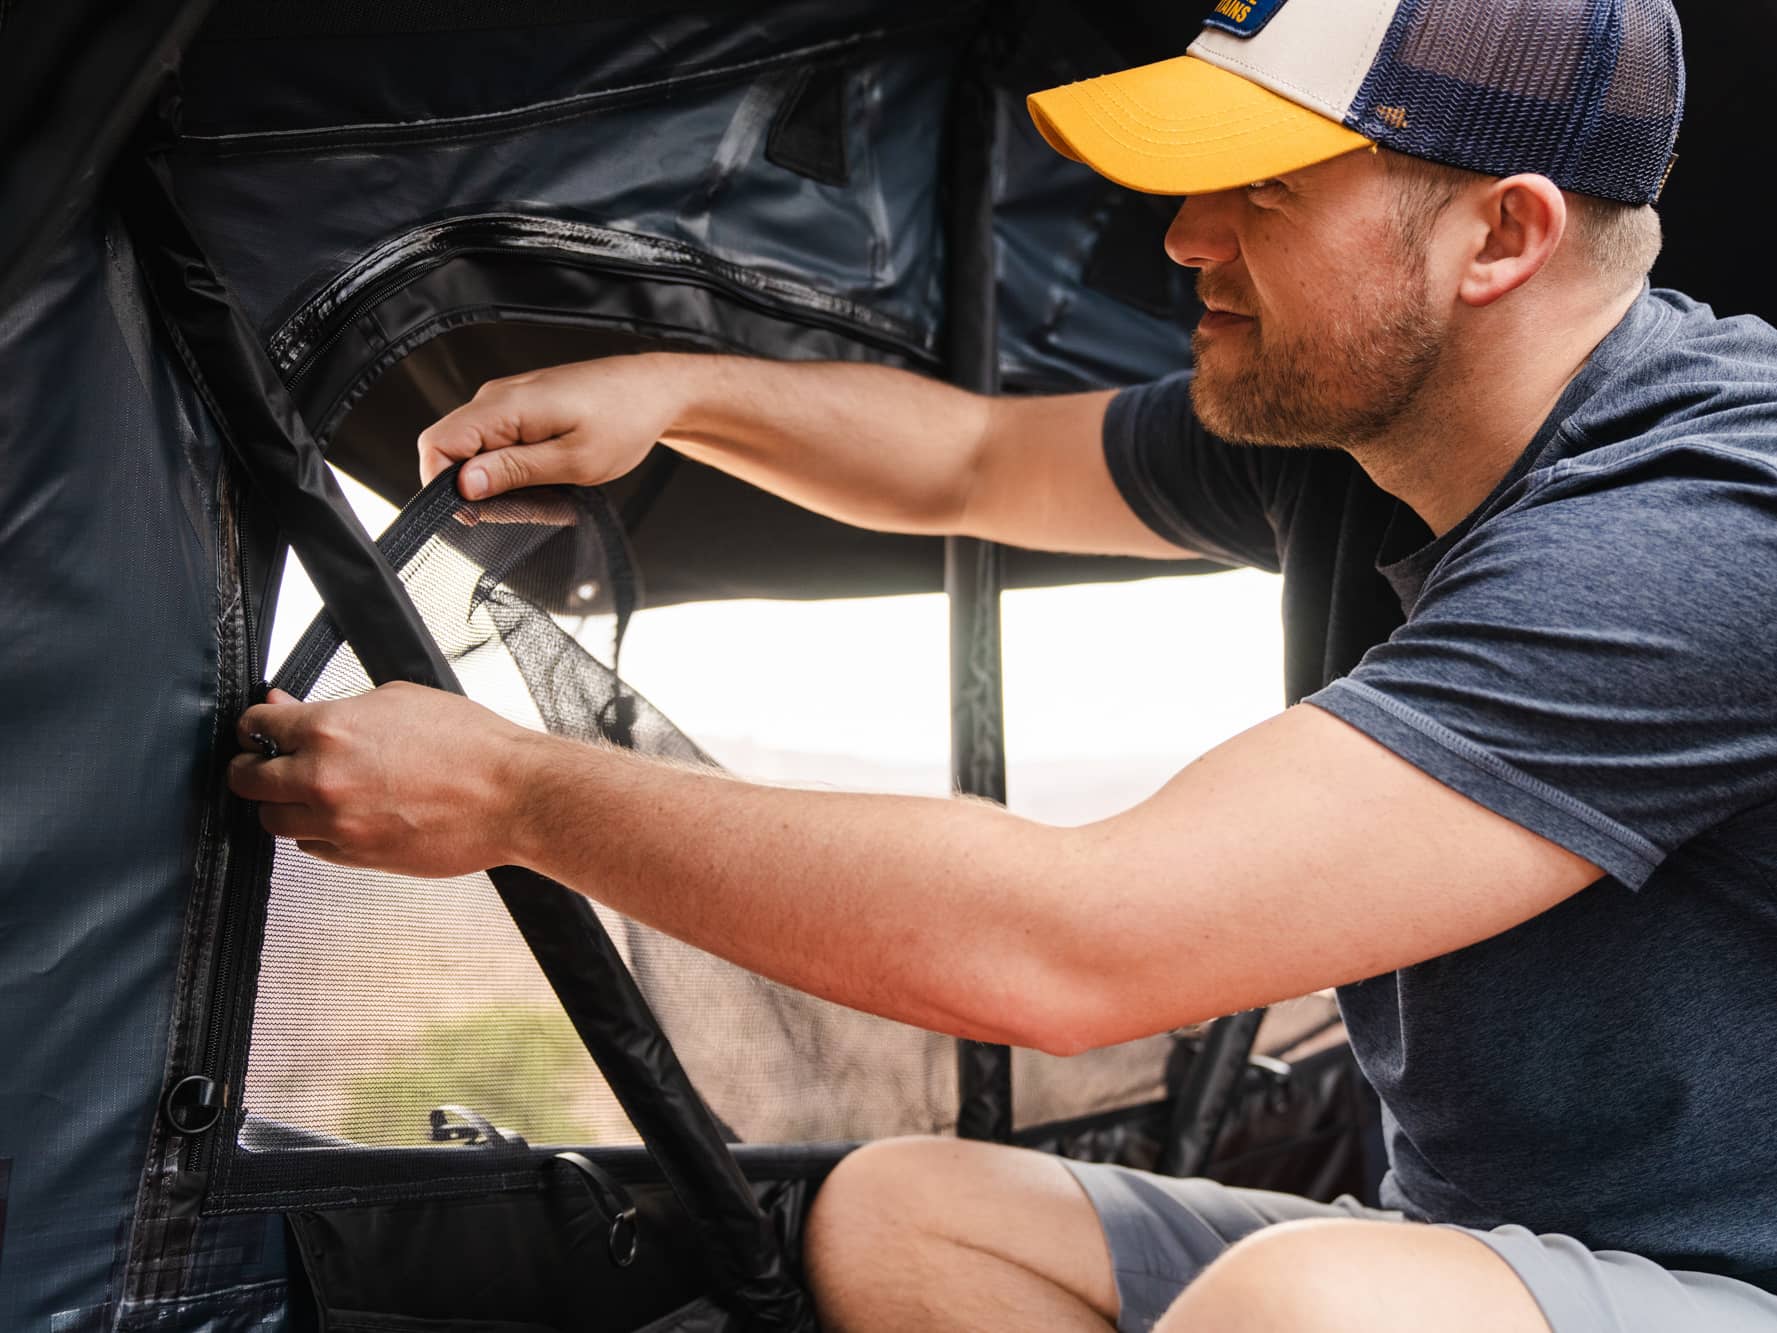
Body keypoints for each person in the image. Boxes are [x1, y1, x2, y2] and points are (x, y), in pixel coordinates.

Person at [229, 0, 1777, 1328]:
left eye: (1262, 190)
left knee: (1305, 1306)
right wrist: (679, 393)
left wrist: (518, 792)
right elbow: (969, 459)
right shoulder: (1372, 425)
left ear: (1501, 234)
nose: (1183, 237)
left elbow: (1081, 947)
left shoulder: (1704, 529)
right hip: (1487, 1256)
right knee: (912, 1220)